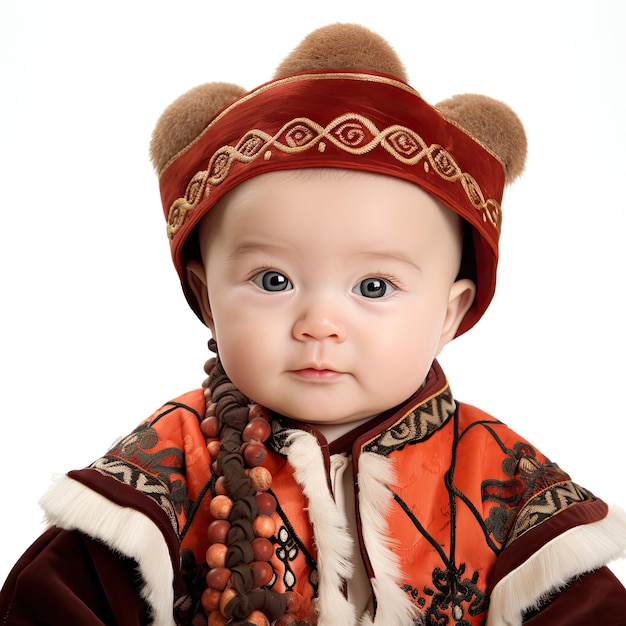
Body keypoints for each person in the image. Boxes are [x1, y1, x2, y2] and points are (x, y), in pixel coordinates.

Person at [1, 22, 625, 626]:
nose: (319, 323)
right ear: (206, 297)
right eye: (274, 281)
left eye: (373, 287)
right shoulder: (173, 465)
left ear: (449, 314)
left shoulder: (494, 473)